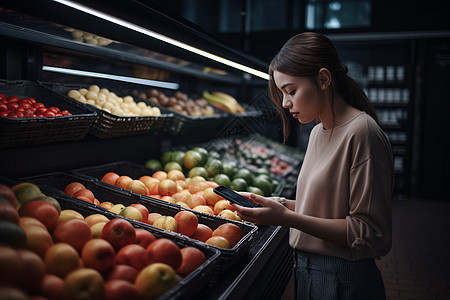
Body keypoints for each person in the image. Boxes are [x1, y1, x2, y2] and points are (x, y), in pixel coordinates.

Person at [234, 32, 393, 299]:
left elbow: (369, 234)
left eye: (291, 91)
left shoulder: (362, 133)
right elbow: (331, 208)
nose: (285, 104)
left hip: (345, 280)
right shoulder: (318, 131)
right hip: (306, 272)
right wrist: (283, 205)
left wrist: (287, 218)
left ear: (323, 79)